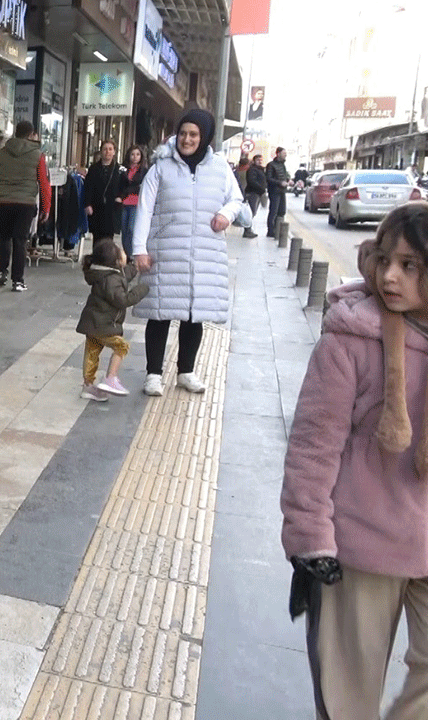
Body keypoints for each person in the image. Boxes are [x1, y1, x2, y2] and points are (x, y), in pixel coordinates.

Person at [280, 202, 428, 720]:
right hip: (360, 548)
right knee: (348, 702)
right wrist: (310, 539)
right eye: (385, 260)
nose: (390, 276)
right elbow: (313, 446)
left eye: (410, 266)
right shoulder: (352, 336)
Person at [132, 109, 243, 397]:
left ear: (204, 136)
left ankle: (186, 371)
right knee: (160, 314)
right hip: (166, 252)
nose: (187, 139)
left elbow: (236, 199)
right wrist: (138, 249)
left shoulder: (220, 167)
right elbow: (144, 209)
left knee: (194, 315)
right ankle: (153, 374)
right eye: (183, 133)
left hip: (204, 255)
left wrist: (226, 214)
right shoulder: (161, 167)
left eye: (194, 134)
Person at [77, 240, 150, 402]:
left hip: (92, 324)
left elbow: (124, 276)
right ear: (116, 261)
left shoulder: (103, 273)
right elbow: (122, 300)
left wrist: (136, 267)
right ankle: (111, 378)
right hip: (104, 325)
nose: (125, 254)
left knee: (92, 353)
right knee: (121, 346)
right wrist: (142, 289)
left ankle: (88, 387)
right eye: (121, 252)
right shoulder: (111, 279)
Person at [0, 120, 52, 292]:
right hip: (25, 203)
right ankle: (18, 281)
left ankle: (2, 272)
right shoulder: (38, 155)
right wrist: (46, 207)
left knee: (3, 237)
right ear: (31, 135)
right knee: (20, 241)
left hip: (3, 202)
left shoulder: (0, 154)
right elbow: (44, 184)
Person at [83, 140, 124, 242]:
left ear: (114, 152)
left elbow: (124, 186)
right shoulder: (94, 169)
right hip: (96, 208)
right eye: (105, 149)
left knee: (108, 238)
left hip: (112, 208)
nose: (107, 152)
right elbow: (88, 187)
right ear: (101, 151)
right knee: (96, 237)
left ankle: (107, 257)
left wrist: (121, 197)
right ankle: (97, 257)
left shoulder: (119, 170)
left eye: (110, 149)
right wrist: (87, 204)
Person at [118, 145, 148, 255]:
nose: (135, 157)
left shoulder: (144, 171)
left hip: (136, 203)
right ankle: (126, 253)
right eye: (132, 154)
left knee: (132, 229)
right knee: (124, 230)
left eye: (137, 154)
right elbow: (120, 185)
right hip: (124, 203)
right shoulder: (123, 170)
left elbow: (141, 186)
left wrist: (130, 190)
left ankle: (131, 253)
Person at [265, 147, 291, 238]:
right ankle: (271, 231)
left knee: (282, 211)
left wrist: (288, 180)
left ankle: (278, 229)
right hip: (274, 191)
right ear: (278, 154)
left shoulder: (283, 165)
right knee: (273, 211)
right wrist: (280, 183)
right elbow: (268, 178)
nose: (285, 156)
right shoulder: (271, 165)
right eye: (284, 154)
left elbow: (284, 176)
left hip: (282, 191)